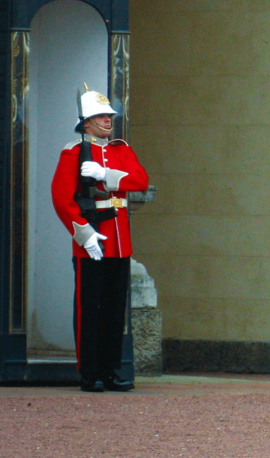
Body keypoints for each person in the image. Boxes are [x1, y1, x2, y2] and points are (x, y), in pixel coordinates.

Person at [51, 88, 149, 392]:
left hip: (119, 240)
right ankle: (89, 372)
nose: (108, 120)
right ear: (87, 122)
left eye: (109, 116)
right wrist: (83, 232)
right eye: (101, 116)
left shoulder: (121, 150)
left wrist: (106, 173)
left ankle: (109, 370)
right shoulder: (73, 151)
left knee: (113, 308)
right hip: (91, 239)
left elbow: (140, 181)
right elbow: (61, 198)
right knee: (88, 308)